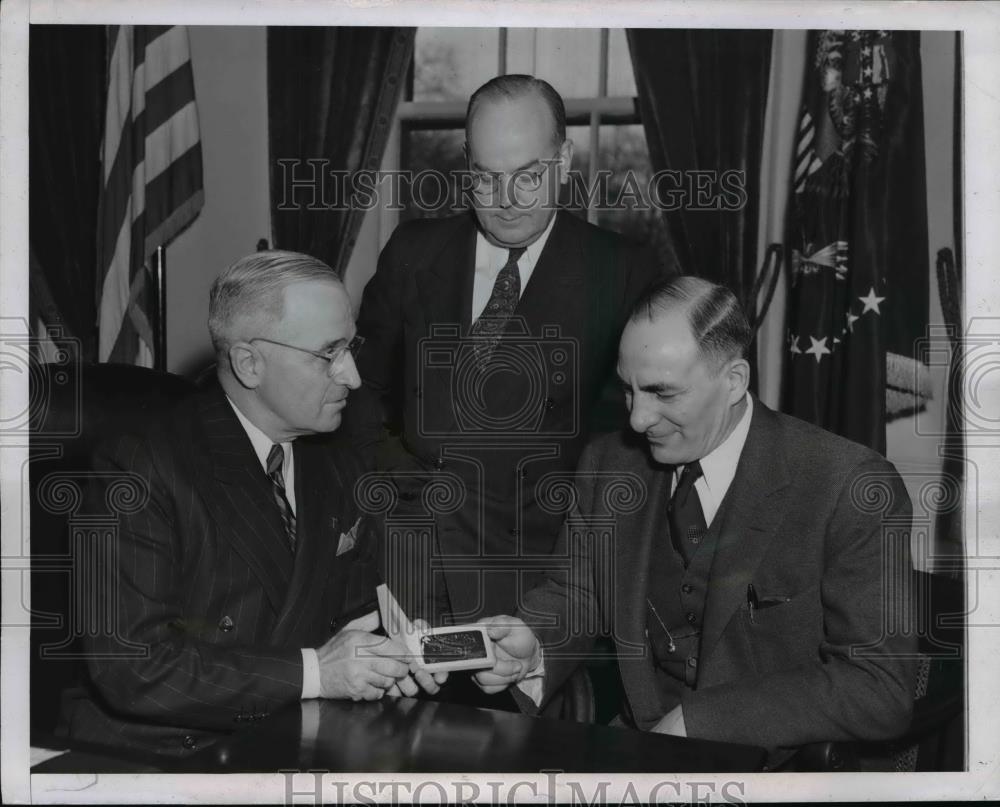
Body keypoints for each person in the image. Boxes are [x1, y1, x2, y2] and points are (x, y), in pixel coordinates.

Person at [472, 276, 917, 766]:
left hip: (781, 768)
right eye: (629, 389)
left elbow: (878, 686)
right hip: (634, 753)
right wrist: (534, 641)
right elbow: (577, 592)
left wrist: (700, 722)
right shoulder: (609, 464)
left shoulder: (850, 485)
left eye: (663, 393)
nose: (639, 419)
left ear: (733, 382)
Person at [59, 251, 443, 758]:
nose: (352, 375)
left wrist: (392, 654)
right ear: (249, 364)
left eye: (352, 347)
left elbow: (348, 614)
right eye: (329, 353)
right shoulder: (139, 465)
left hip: (294, 736)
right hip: (159, 755)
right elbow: (135, 668)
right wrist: (316, 673)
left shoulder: (336, 457)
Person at [346, 74, 671, 628]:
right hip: (394, 566)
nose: (505, 200)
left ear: (564, 160)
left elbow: (627, 445)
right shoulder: (413, 249)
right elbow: (359, 388)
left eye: (527, 176)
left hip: (528, 579)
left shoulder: (621, 272)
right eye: (486, 177)